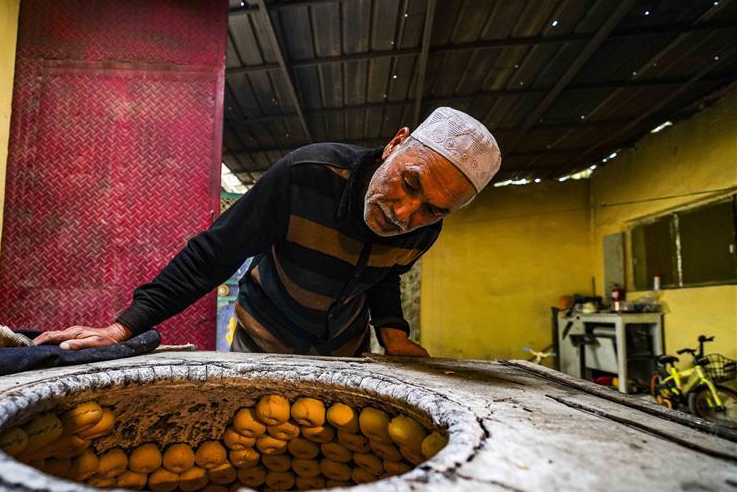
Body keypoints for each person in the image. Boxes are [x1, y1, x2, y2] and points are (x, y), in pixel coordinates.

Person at [34, 107, 501, 357]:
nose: (404, 213)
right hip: (263, 343)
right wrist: (123, 327)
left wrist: (393, 332)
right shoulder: (306, 175)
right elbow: (212, 255)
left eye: (432, 209)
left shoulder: (424, 230)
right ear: (395, 145)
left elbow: (383, 275)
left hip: (346, 352)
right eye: (410, 183)